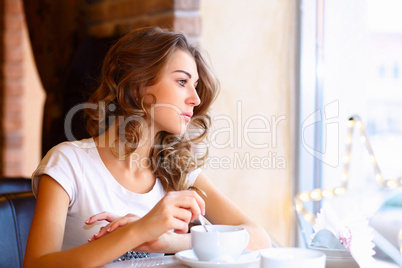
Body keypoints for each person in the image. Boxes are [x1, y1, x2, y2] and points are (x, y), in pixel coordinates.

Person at [24, 27, 271, 268]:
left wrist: (169, 241)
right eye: (182, 81)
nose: (195, 98)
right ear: (137, 84)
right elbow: (36, 264)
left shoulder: (178, 170)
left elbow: (259, 239)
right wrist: (138, 231)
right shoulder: (68, 163)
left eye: (195, 85)